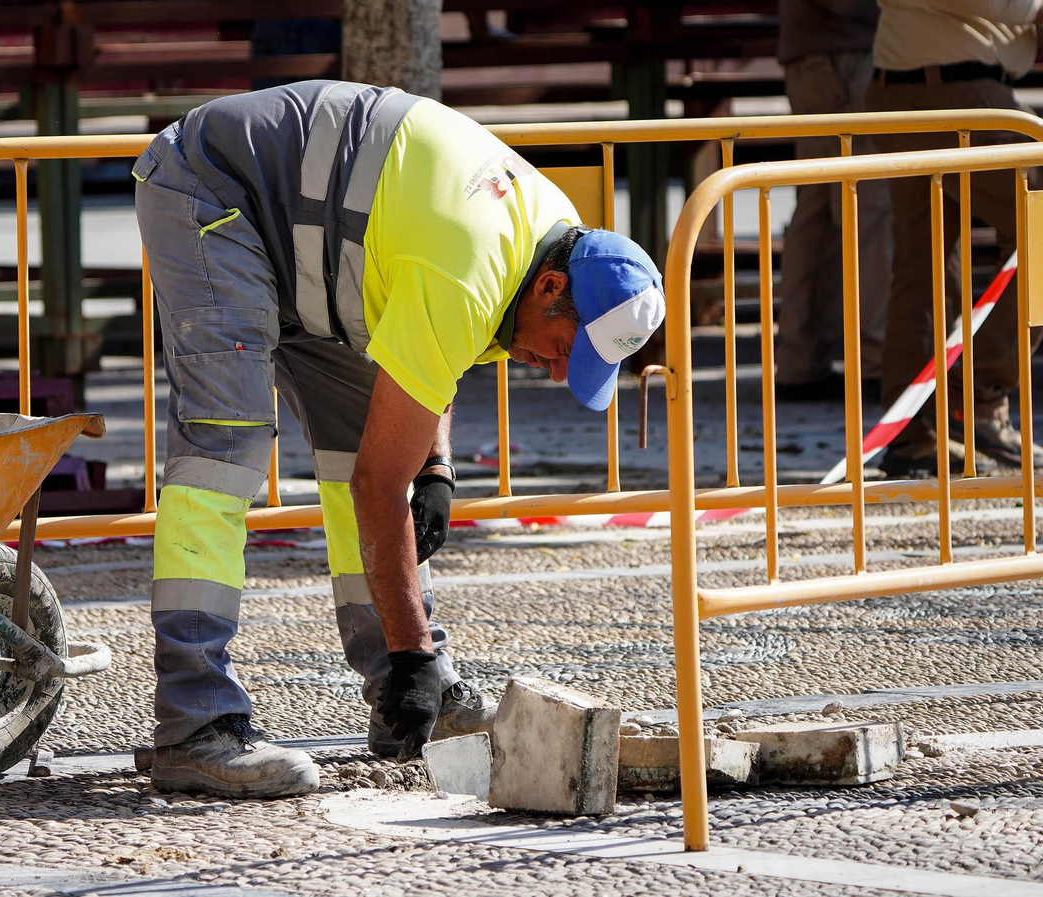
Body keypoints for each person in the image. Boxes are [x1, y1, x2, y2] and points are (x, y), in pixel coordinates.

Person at [134, 80, 666, 798]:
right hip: (215, 190)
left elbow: (437, 354)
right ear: (548, 288)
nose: (558, 370)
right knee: (224, 449)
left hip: (306, 245)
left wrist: (437, 462)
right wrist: (414, 647)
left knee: (363, 446)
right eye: (569, 347)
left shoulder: (552, 237)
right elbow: (380, 485)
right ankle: (196, 725)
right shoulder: (475, 263)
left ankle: (401, 696)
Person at [868, 0, 1043, 477]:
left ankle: (915, 433)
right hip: (960, 91)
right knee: (1037, 223)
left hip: (924, 87)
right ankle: (976, 395)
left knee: (922, 266)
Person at [775, 0, 891, 403]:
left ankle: (800, 358)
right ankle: (878, 359)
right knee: (868, 209)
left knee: (820, 211)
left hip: (818, 53)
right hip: (847, 52)